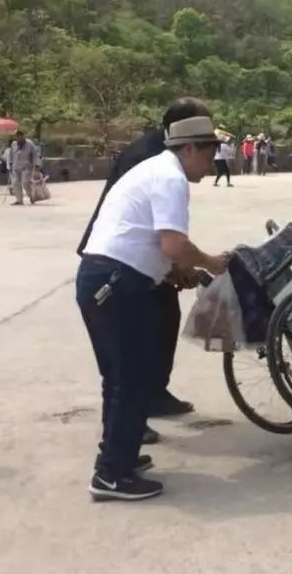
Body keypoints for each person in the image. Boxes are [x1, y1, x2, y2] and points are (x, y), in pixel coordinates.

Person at [78, 115, 228, 501]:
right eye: (210, 151)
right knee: (132, 378)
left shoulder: (156, 168)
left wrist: (177, 273)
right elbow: (174, 245)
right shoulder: (171, 178)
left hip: (105, 278)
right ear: (190, 148)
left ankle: (119, 457)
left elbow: (154, 244)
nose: (214, 161)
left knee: (121, 378)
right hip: (117, 284)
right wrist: (210, 262)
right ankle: (111, 475)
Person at [78, 99, 212, 427]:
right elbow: (163, 236)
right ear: (187, 139)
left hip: (129, 259)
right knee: (127, 362)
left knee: (158, 327)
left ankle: (148, 401)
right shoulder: (156, 162)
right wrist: (186, 265)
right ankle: (131, 427)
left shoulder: (162, 154)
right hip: (121, 262)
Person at [8, 131, 40, 205]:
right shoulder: (13, 144)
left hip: (26, 166)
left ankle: (31, 195)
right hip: (16, 167)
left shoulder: (29, 143)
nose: (19, 138)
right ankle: (19, 200)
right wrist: (10, 164)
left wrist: (37, 165)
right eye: (17, 137)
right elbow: (10, 155)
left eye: (20, 136)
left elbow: (35, 155)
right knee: (15, 183)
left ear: (23, 136)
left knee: (25, 182)